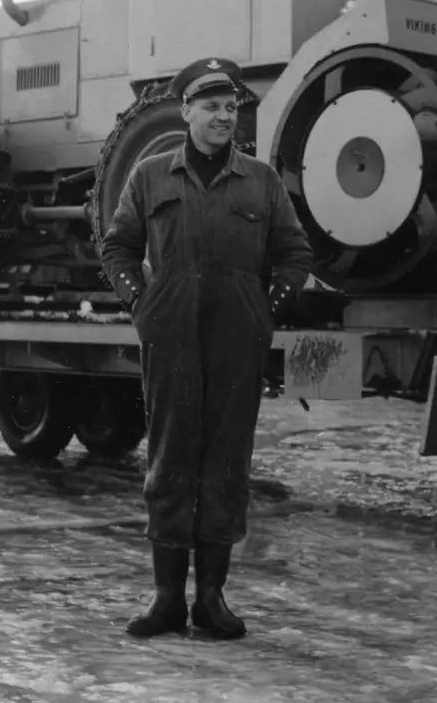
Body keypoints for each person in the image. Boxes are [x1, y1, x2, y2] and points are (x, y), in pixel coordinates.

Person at [99, 57, 314, 640]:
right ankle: (167, 598)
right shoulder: (149, 176)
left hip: (236, 340)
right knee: (170, 460)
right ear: (187, 111)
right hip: (170, 336)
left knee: (225, 462)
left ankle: (211, 598)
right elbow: (117, 248)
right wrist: (142, 304)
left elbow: (296, 253)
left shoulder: (262, 182)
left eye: (232, 108)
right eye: (213, 107)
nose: (225, 117)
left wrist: (264, 310)